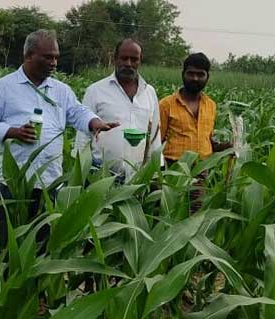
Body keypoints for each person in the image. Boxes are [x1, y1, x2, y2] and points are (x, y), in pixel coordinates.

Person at [0, 29, 116, 243]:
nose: (54, 62)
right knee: (8, 246)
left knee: (42, 245)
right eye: (48, 57)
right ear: (29, 55)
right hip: (14, 184)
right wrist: (13, 132)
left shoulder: (61, 90)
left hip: (49, 183)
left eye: (56, 57)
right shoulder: (4, 87)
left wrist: (94, 122)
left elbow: (77, 112)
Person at [74, 39, 162, 181]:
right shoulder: (95, 91)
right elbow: (83, 135)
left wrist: (156, 171)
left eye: (134, 59)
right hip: (100, 177)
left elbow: (154, 136)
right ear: (115, 59)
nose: (128, 63)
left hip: (138, 177)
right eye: (124, 58)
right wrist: (80, 171)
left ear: (140, 61)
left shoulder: (149, 93)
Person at [159, 52, 232, 208]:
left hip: (200, 172)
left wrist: (227, 147)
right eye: (190, 73)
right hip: (173, 170)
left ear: (207, 77)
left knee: (194, 216)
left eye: (200, 74)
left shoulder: (210, 105)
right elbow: (156, 143)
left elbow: (207, 140)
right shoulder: (166, 105)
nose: (195, 78)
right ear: (183, 74)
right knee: (169, 213)